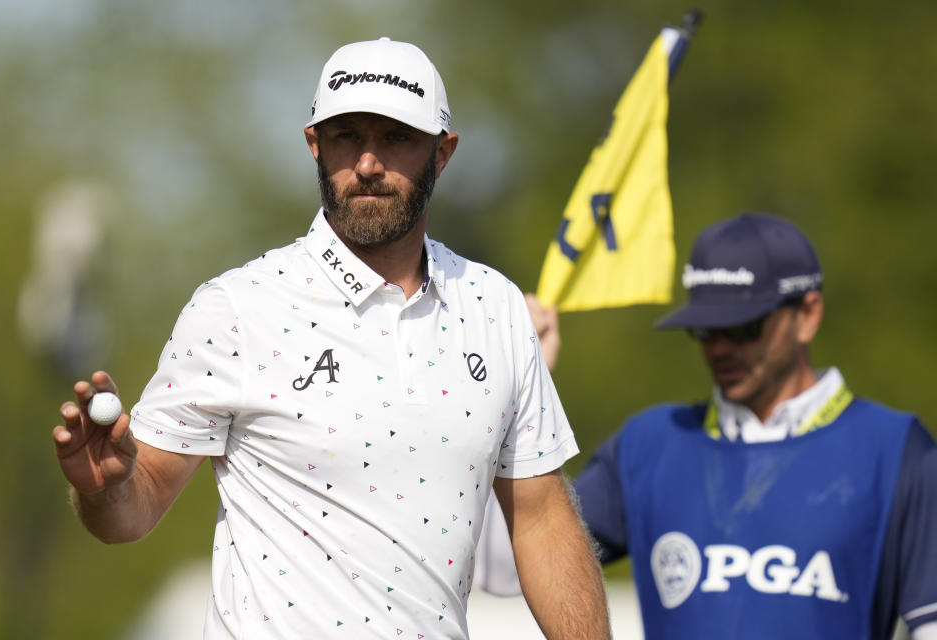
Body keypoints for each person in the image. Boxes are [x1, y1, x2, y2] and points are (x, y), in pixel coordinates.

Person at [52, 38, 611, 639]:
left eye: (395, 137)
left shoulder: (495, 306)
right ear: (315, 146)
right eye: (347, 137)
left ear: (442, 153)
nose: (367, 164)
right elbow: (136, 507)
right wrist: (105, 491)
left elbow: (542, 519)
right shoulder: (238, 307)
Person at [479, 212, 937, 639]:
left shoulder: (895, 450)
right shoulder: (650, 445)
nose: (720, 347)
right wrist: (522, 391)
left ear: (808, 315)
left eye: (742, 327)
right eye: (705, 329)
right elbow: (502, 571)